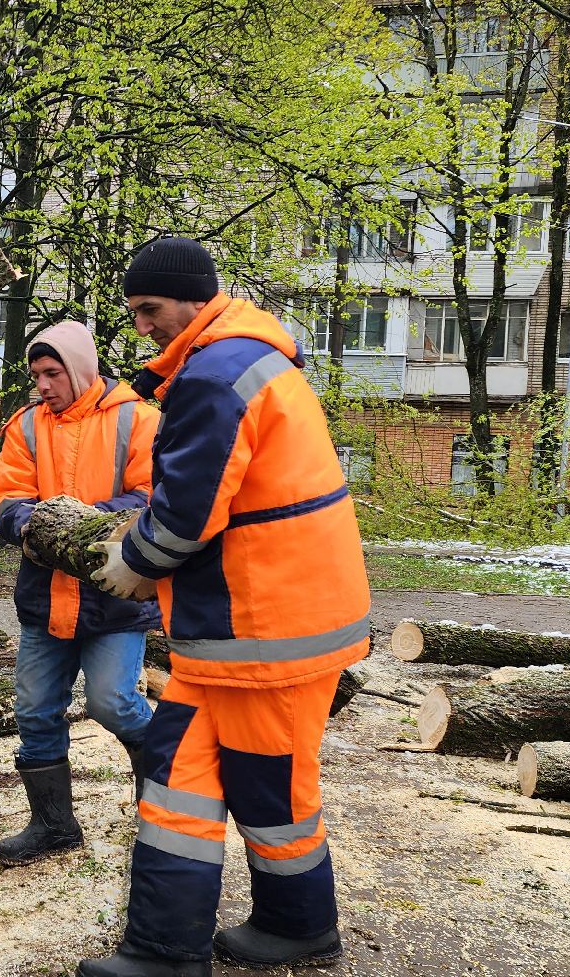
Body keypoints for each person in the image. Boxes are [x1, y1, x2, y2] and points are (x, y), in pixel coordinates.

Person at [77, 237, 371, 977]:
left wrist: (131, 563)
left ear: (190, 298)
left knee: (271, 794)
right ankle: (167, 951)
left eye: (149, 309)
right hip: (248, 631)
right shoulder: (242, 358)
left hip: (266, 630)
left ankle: (293, 928)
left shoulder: (214, 374)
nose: (142, 326)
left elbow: (186, 514)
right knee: (180, 782)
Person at [0, 320, 161, 867]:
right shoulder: (28, 426)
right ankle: (53, 825)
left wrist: (86, 521)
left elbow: (153, 494)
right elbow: (7, 494)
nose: (42, 384)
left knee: (113, 702)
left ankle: (165, 800)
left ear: (81, 369)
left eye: (51, 372)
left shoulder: (138, 417)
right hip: (44, 596)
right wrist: (24, 521)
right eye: (36, 374)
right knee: (36, 711)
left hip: (116, 595)